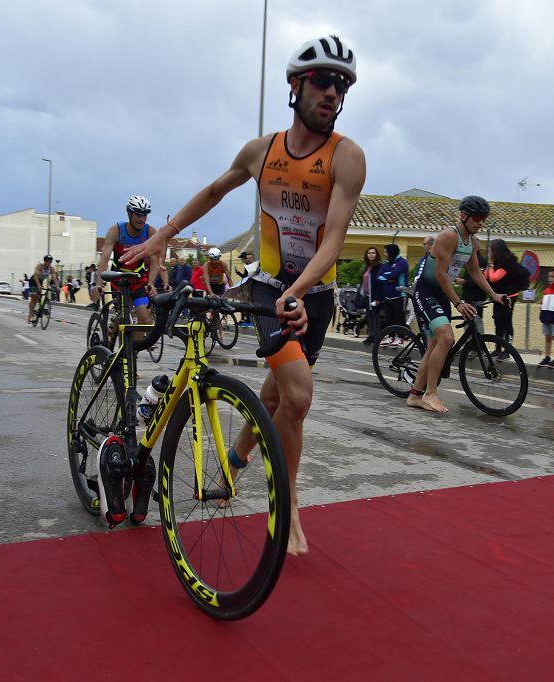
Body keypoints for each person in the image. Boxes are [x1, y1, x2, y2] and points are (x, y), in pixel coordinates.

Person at [120, 34, 366, 555]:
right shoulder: (262, 152)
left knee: (278, 396)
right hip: (268, 290)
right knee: (297, 397)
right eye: (323, 80)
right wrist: (162, 235)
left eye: (341, 84)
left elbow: (337, 240)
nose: (333, 93)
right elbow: (214, 191)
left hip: (312, 297)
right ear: (296, 86)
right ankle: (289, 506)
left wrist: (301, 291)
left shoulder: (348, 158)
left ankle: (236, 457)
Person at [407, 196, 505, 413]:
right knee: (447, 338)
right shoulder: (449, 236)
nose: (480, 223)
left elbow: (474, 273)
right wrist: (459, 302)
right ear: (464, 215)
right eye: (477, 218)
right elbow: (441, 274)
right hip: (427, 291)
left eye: (483, 219)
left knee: (434, 345)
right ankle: (430, 394)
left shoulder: (473, 242)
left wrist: (494, 294)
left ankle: (415, 395)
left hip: (442, 293)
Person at [95, 195, 162, 332]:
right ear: (129, 213)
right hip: (117, 279)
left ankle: (133, 351)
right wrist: (98, 283)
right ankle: (115, 339)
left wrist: (151, 283)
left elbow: (155, 262)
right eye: (138, 214)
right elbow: (105, 258)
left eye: (144, 215)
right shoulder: (116, 231)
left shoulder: (150, 232)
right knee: (124, 317)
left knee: (145, 319)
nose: (141, 219)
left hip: (138, 280)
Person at [484, 239, 526, 358]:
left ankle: (507, 350)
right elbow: (486, 276)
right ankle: (498, 349)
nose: (489, 252)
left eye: (491, 250)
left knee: (506, 322)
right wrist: (490, 264)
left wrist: (491, 263)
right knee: (498, 321)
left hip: (509, 297)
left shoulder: (508, 262)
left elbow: (494, 277)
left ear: (496, 250)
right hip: (497, 296)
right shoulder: (496, 262)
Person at [376, 243, 408, 346]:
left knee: (399, 318)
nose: (384, 254)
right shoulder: (386, 263)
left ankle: (400, 338)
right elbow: (379, 277)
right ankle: (391, 337)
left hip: (399, 295)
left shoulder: (402, 262)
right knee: (389, 318)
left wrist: (388, 276)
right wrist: (389, 278)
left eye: (386, 251)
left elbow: (395, 274)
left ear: (391, 252)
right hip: (388, 296)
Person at [359, 246, 382, 344]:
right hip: (367, 296)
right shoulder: (367, 267)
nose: (371, 255)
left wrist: (377, 298)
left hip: (375, 296)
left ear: (376, 255)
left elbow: (379, 283)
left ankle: (376, 336)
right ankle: (371, 335)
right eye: (369, 253)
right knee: (369, 316)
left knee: (375, 316)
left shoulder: (379, 267)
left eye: (373, 253)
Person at [27, 255, 58, 322]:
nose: (49, 263)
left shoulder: (51, 269)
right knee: (34, 297)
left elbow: (54, 277)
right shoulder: (40, 266)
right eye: (48, 261)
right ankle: (31, 314)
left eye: (50, 261)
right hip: (33, 281)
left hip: (40, 281)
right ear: (45, 261)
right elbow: (35, 276)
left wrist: (57, 286)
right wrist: (38, 285)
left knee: (38, 297)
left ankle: (40, 309)